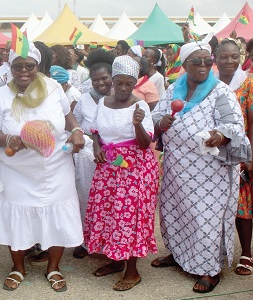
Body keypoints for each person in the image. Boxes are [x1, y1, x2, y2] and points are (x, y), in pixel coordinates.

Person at [152, 36, 251, 293]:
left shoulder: (220, 91)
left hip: (210, 171)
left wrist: (221, 135)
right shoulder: (174, 89)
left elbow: (234, 125)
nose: (204, 66)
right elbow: (156, 116)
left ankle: (209, 270)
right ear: (184, 64)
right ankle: (178, 254)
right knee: (175, 213)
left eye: (208, 61)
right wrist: (161, 122)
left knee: (205, 218)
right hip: (176, 167)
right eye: (197, 62)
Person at [0, 41, 84, 292]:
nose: (24, 71)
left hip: (55, 165)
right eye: (18, 66)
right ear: (10, 67)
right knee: (17, 213)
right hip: (16, 170)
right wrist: (9, 139)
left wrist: (76, 129)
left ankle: (53, 267)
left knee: (57, 214)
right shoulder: (2, 94)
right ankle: (18, 267)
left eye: (29, 66)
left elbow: (67, 115)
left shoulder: (52, 87)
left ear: (38, 66)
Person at [83, 55, 159, 291]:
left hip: (135, 170)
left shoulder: (140, 105)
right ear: (113, 81)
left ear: (135, 82)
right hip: (109, 167)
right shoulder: (103, 102)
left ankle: (133, 271)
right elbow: (95, 130)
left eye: (129, 83)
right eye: (119, 83)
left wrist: (137, 124)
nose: (124, 88)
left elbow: (146, 144)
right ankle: (116, 261)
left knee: (130, 218)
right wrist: (96, 146)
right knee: (109, 215)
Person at [214, 39, 253, 276]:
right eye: (223, 57)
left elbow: (252, 125)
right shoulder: (210, 84)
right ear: (215, 59)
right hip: (214, 154)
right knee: (216, 206)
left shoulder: (248, 85)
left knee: (243, 207)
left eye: (233, 56)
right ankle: (216, 252)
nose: (229, 61)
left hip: (239, 154)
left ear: (240, 57)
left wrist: (249, 158)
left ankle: (246, 254)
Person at [71, 48, 115, 259]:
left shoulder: (120, 99)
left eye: (104, 78)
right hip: (87, 160)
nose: (100, 83)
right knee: (86, 198)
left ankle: (108, 241)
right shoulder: (84, 101)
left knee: (109, 202)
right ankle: (85, 241)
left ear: (112, 78)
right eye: (95, 80)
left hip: (114, 159)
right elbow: (76, 127)